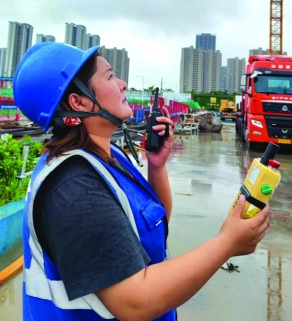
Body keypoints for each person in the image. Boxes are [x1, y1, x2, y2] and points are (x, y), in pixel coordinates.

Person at [14, 42, 270, 321]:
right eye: (110, 76)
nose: (123, 84)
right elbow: (135, 302)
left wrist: (156, 167)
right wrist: (227, 243)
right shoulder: (74, 187)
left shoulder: (107, 155)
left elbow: (154, 225)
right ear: (79, 102)